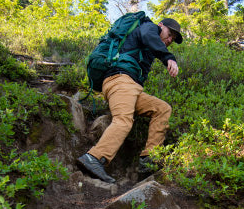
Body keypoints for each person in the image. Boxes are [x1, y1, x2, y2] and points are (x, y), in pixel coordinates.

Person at [76, 17, 182, 184]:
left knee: (162, 109)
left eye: (172, 39)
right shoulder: (149, 27)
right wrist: (168, 57)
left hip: (131, 87)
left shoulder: (149, 43)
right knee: (123, 120)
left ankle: (150, 158)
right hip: (120, 80)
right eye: (170, 34)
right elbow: (149, 34)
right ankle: (94, 157)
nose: (169, 40)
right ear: (160, 26)